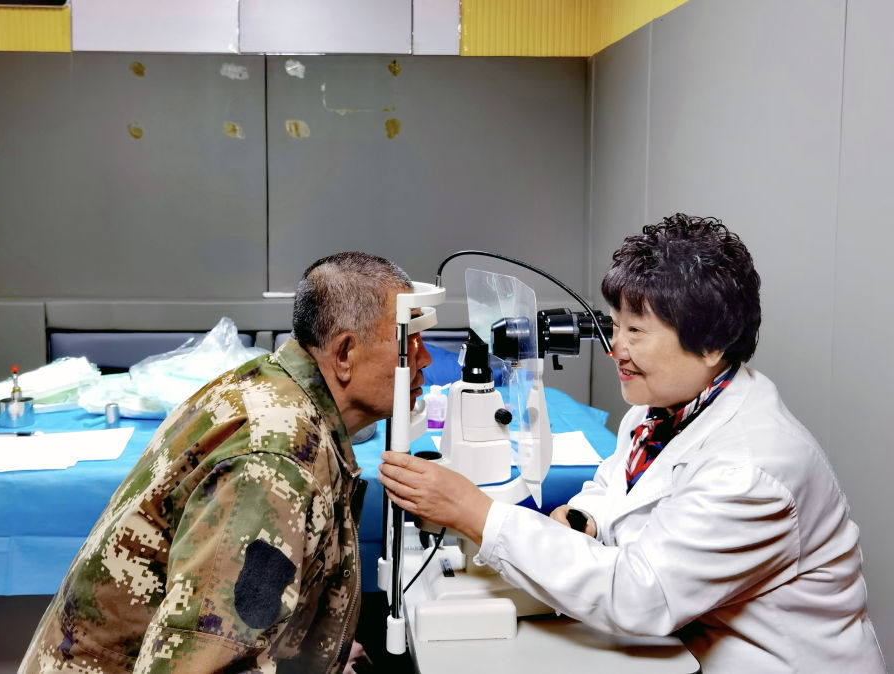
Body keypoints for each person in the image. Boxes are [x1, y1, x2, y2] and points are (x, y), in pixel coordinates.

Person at [379, 215, 886, 673]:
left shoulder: (751, 472)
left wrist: (475, 512)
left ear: (712, 344)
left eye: (636, 331)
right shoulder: (662, 405)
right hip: (686, 645)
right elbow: (614, 486)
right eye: (615, 325)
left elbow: (641, 595)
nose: (614, 348)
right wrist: (587, 518)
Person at [21, 251, 432, 673]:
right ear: (344, 353)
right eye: (409, 342)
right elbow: (198, 665)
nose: (424, 360)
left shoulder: (276, 390)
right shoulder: (273, 461)